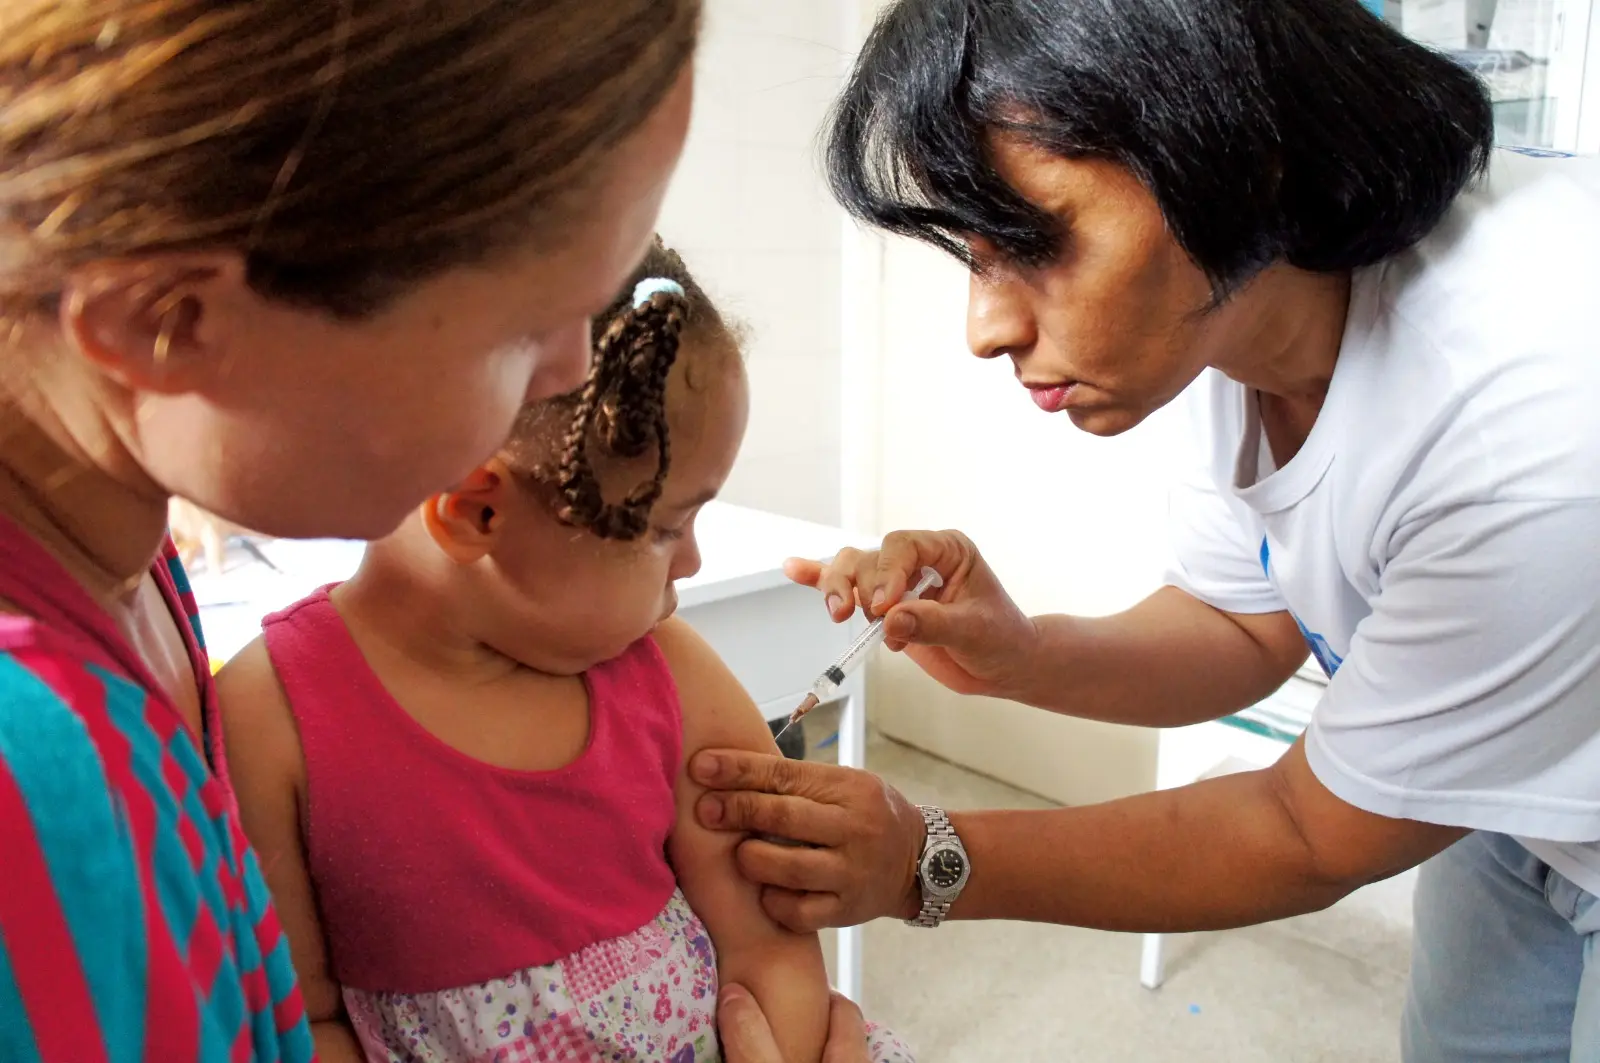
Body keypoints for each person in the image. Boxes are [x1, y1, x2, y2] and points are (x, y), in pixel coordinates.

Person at [688, 1, 1600, 1059]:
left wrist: (923, 858)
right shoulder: (1247, 306)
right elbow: (1243, 623)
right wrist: (1023, 655)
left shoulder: (1531, 415)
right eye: (973, 255)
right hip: (1520, 800)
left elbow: (1306, 832)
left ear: (1236, 154)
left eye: (1033, 244)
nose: (985, 327)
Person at [0, 4, 869, 1059]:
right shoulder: (44, 795)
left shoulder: (122, 561)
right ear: (168, 323)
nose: (572, 373)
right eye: (523, 326)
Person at [217, 243, 913, 1063]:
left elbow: (771, 949)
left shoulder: (669, 672)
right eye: (665, 528)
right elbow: (302, 1022)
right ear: (476, 512)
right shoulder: (271, 719)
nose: (691, 561)